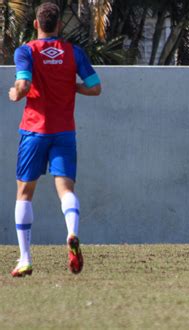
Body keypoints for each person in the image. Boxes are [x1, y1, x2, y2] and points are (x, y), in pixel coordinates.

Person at [8, 2, 101, 277]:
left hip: (34, 131)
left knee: (24, 193)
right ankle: (72, 233)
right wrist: (73, 86)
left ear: (36, 24)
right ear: (59, 25)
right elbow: (95, 87)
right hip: (64, 132)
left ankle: (25, 258)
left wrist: (15, 93)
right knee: (66, 190)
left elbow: (23, 85)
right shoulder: (73, 53)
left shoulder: (26, 51)